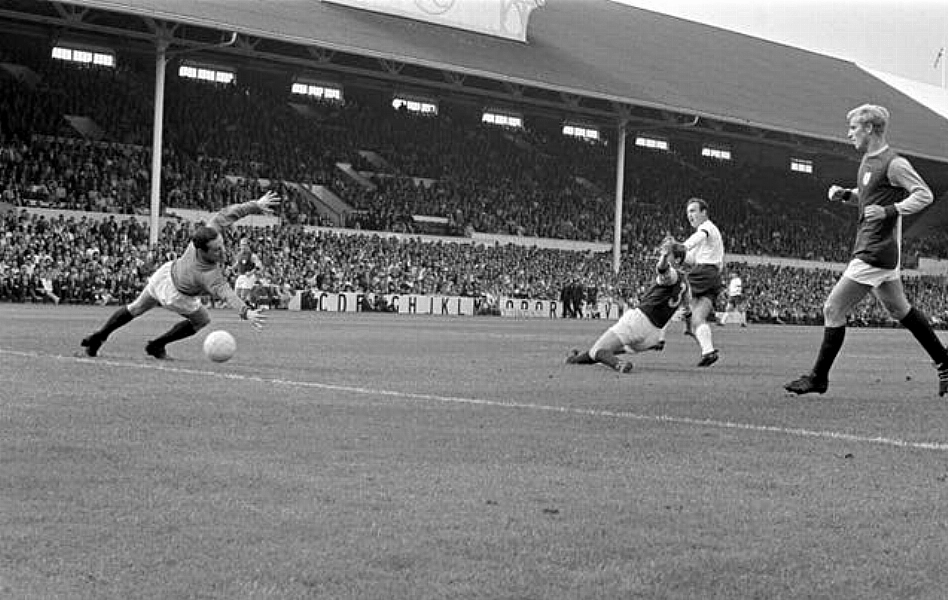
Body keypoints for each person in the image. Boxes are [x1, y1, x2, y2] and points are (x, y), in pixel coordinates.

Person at [785, 104, 948, 396]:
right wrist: (848, 195)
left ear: (870, 129)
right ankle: (945, 362)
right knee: (899, 309)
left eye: (853, 128)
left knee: (833, 308)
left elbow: (924, 195)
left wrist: (889, 211)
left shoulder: (894, 163)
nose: (849, 134)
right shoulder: (868, 162)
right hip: (876, 246)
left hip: (876, 249)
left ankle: (818, 377)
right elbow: (871, 196)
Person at [80, 191, 280, 359]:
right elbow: (227, 293)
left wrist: (256, 205)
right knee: (202, 320)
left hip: (165, 273)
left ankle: (99, 337)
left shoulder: (210, 231)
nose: (223, 252)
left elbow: (231, 212)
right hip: (177, 295)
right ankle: (157, 345)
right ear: (202, 251)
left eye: (222, 246)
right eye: (216, 250)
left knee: (135, 308)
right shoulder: (208, 274)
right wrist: (246, 312)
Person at [565, 241, 688, 373]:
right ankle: (574, 360)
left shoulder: (672, 275)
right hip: (653, 336)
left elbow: (663, 270)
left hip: (639, 321)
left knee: (598, 351)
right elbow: (686, 307)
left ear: (677, 259)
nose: (662, 255)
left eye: (667, 254)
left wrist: (663, 258)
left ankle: (619, 364)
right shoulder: (685, 283)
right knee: (605, 350)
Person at [677, 197, 724, 366]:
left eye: (693, 211)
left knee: (672, 287)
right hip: (712, 278)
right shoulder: (707, 236)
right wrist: (680, 255)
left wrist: (680, 247)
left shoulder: (706, 228)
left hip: (704, 272)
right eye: (688, 212)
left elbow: (695, 241)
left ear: (704, 213)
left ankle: (657, 337)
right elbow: (690, 259)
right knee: (699, 319)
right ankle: (708, 352)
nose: (690, 215)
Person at [233, 236, 263, 305]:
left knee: (243, 296)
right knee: (237, 295)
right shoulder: (239, 254)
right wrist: (232, 267)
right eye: (241, 245)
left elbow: (259, 266)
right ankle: (251, 306)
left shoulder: (252, 255)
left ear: (248, 245)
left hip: (249, 276)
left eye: (244, 245)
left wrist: (251, 272)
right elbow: (237, 263)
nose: (242, 247)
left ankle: (246, 309)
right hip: (241, 276)